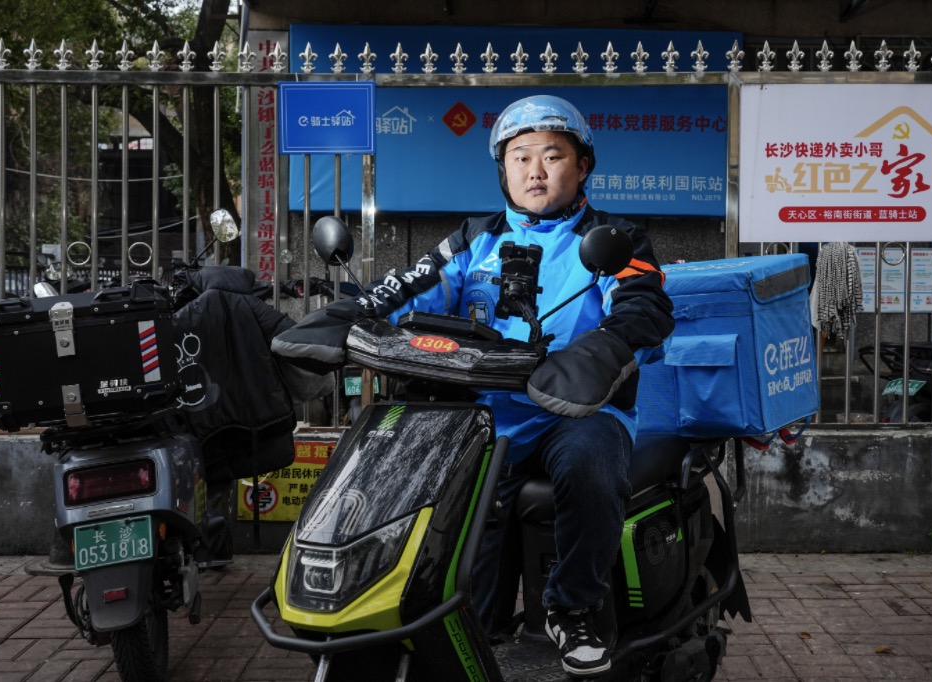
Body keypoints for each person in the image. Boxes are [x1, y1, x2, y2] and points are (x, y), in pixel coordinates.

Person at [273, 94, 674, 678]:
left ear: (582, 166)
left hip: (576, 411)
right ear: (503, 169)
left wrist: (601, 349)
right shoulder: (473, 240)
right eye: (520, 158)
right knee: (463, 579)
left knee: (591, 465)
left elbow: (643, 306)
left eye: (552, 156)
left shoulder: (617, 240)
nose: (535, 171)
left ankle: (573, 604)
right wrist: (351, 316)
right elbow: (408, 288)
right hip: (483, 416)